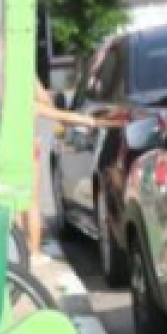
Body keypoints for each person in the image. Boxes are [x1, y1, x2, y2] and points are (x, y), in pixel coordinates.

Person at [28, 85, 124, 256]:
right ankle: (33, 253)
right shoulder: (30, 105)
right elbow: (65, 115)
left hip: (8, 155)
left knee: (16, 206)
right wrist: (104, 122)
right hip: (28, 152)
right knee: (31, 203)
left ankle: (22, 251)